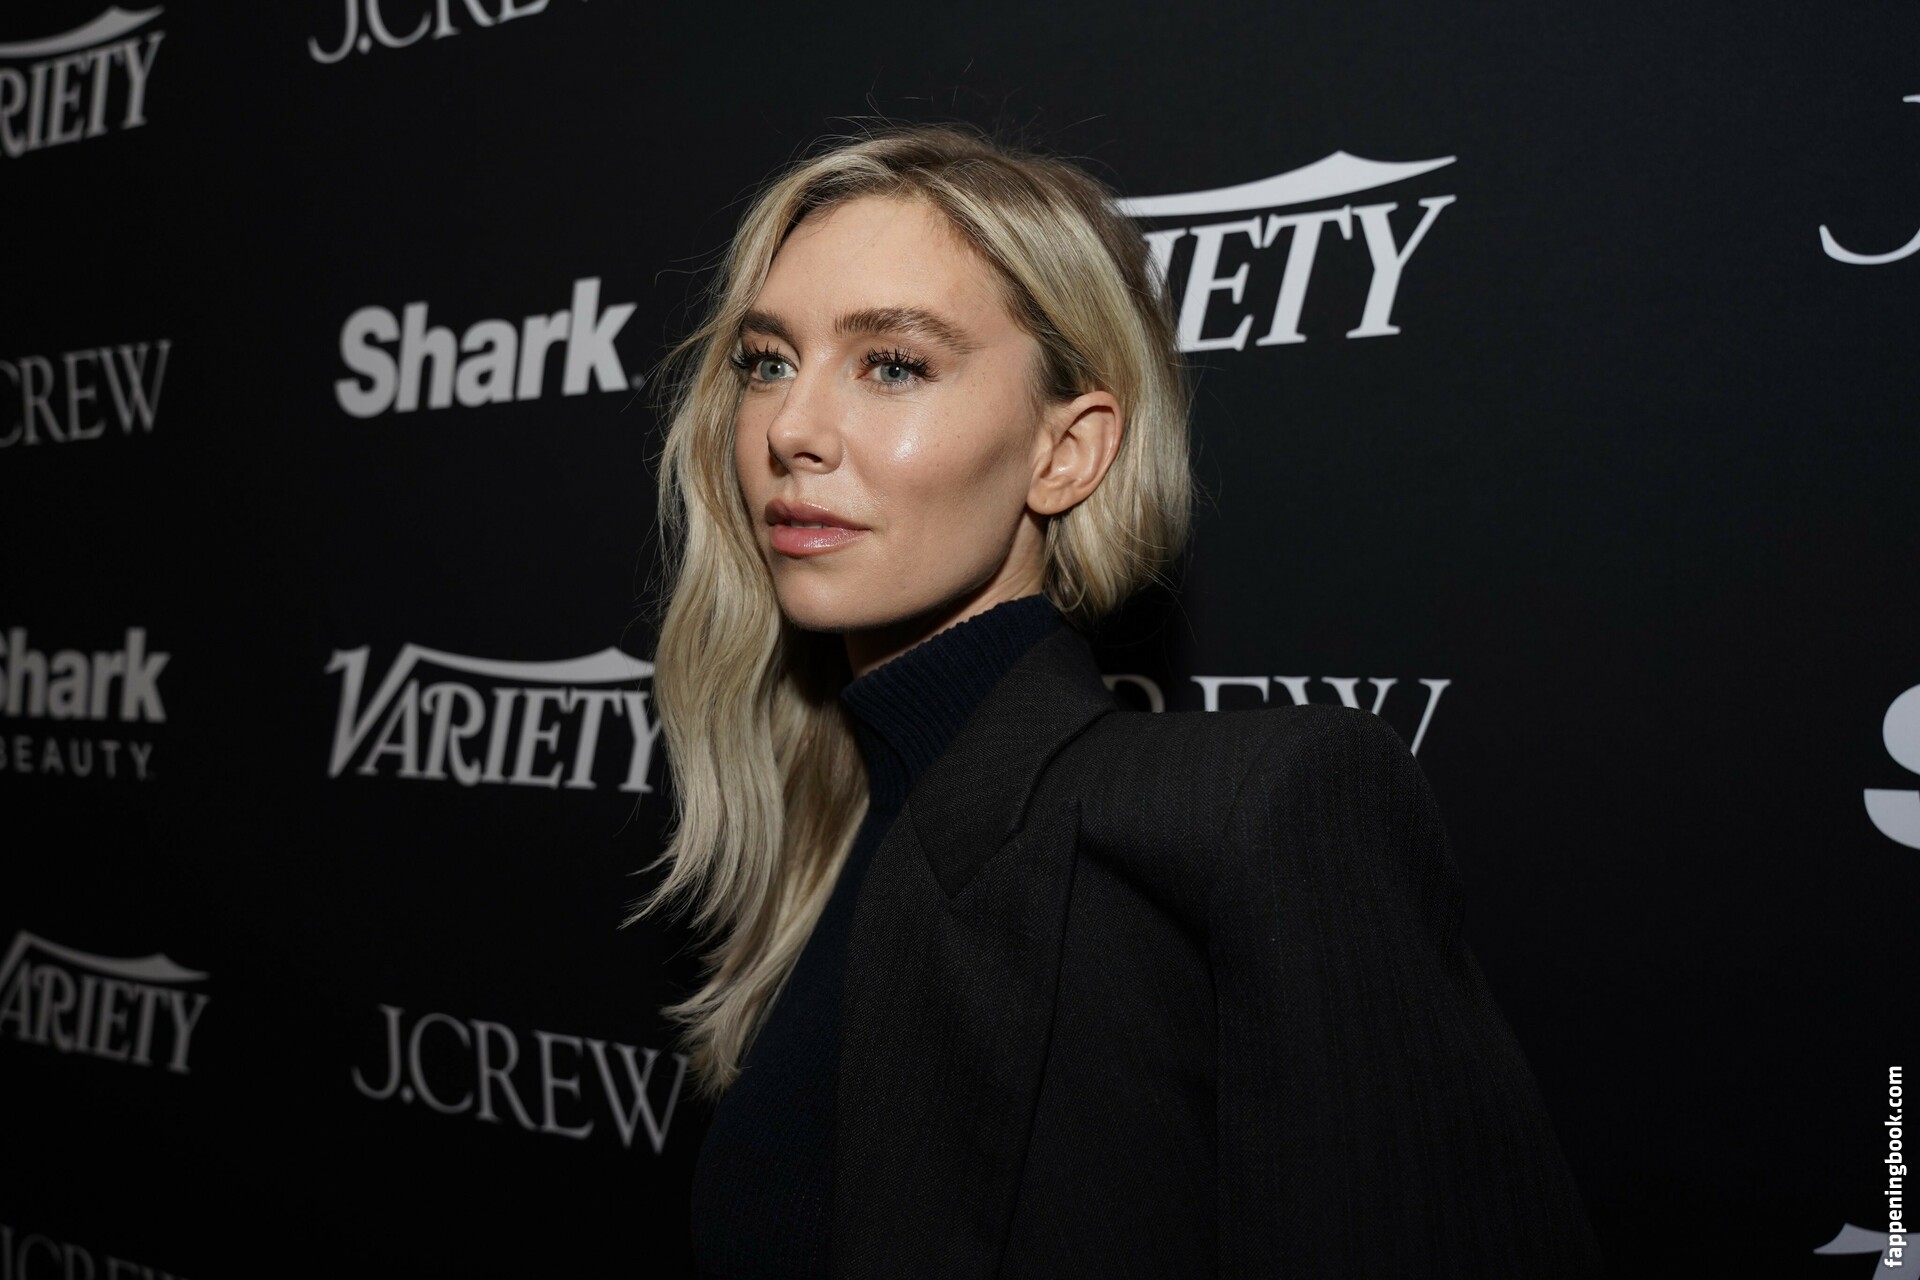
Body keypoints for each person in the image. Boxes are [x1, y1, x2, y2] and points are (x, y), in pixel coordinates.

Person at [633, 121, 1605, 1278]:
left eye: (892, 364)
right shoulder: (818, 846)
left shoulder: (1241, 817)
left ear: (1068, 452)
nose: (790, 429)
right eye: (766, 362)